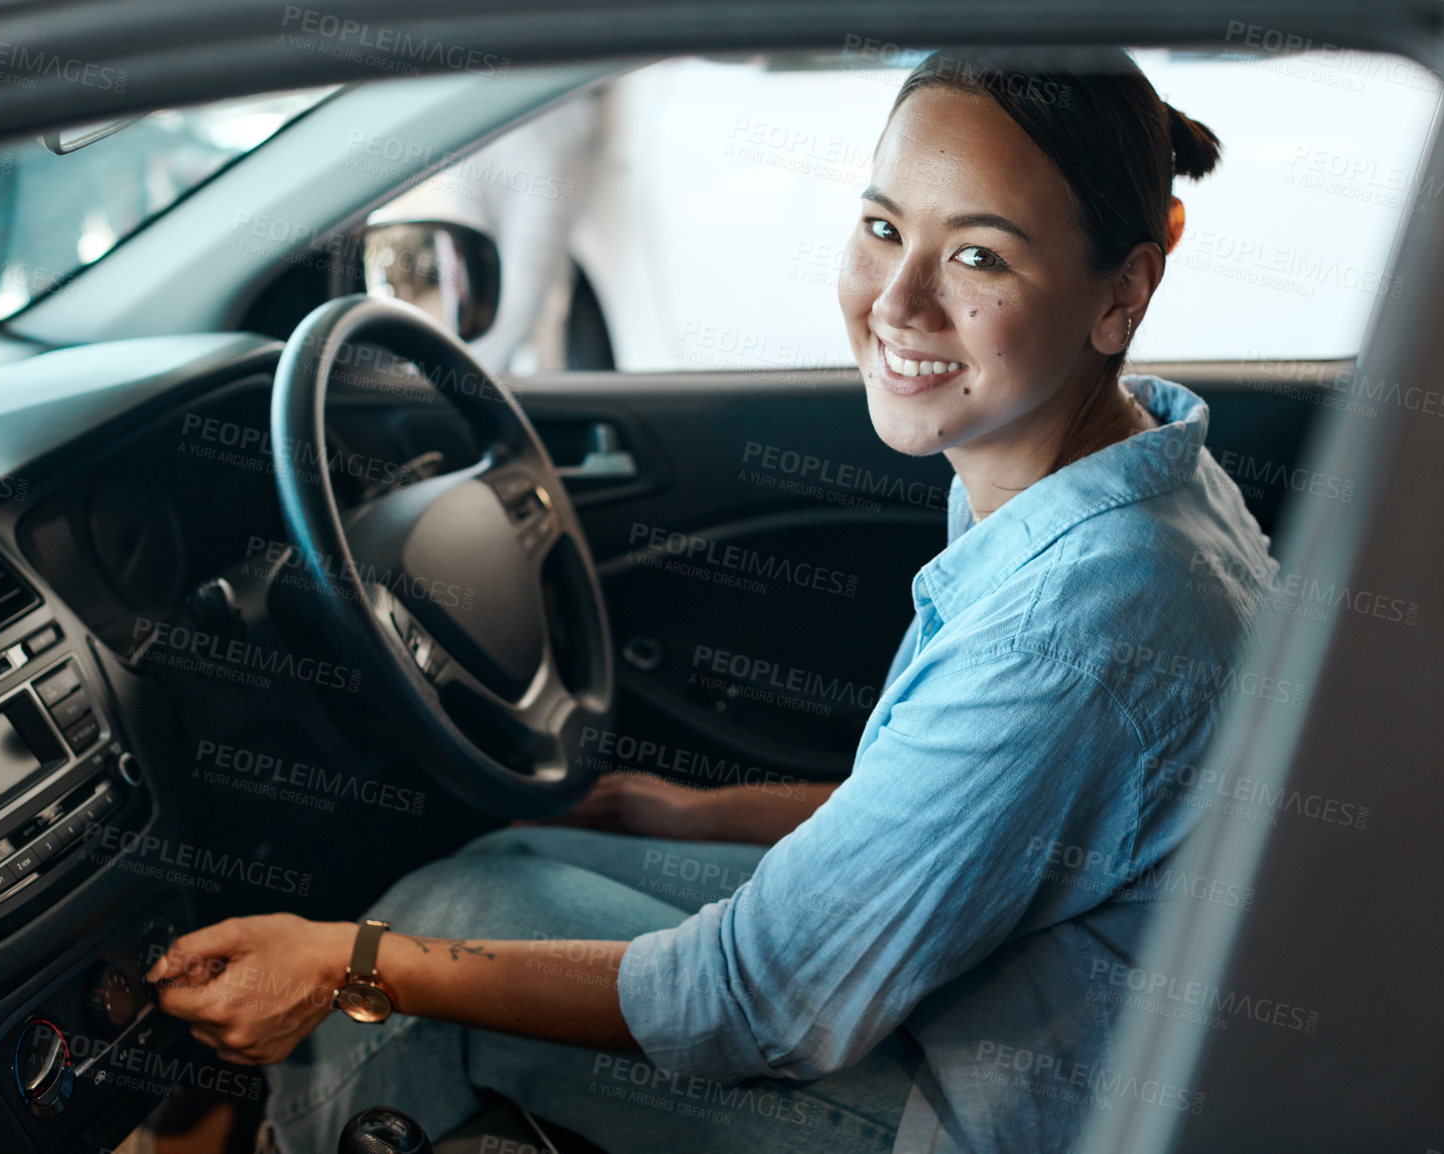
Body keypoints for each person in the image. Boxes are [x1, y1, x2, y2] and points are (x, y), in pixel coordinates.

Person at [148, 47, 1275, 1154]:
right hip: (989, 1003)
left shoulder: (1076, 628)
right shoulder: (1138, 479)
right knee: (502, 870)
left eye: (978, 257)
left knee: (428, 932)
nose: (897, 301)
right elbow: (960, 811)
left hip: (996, 1111)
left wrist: (349, 962)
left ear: (1123, 287)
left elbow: (756, 1000)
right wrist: (699, 811)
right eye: (884, 228)